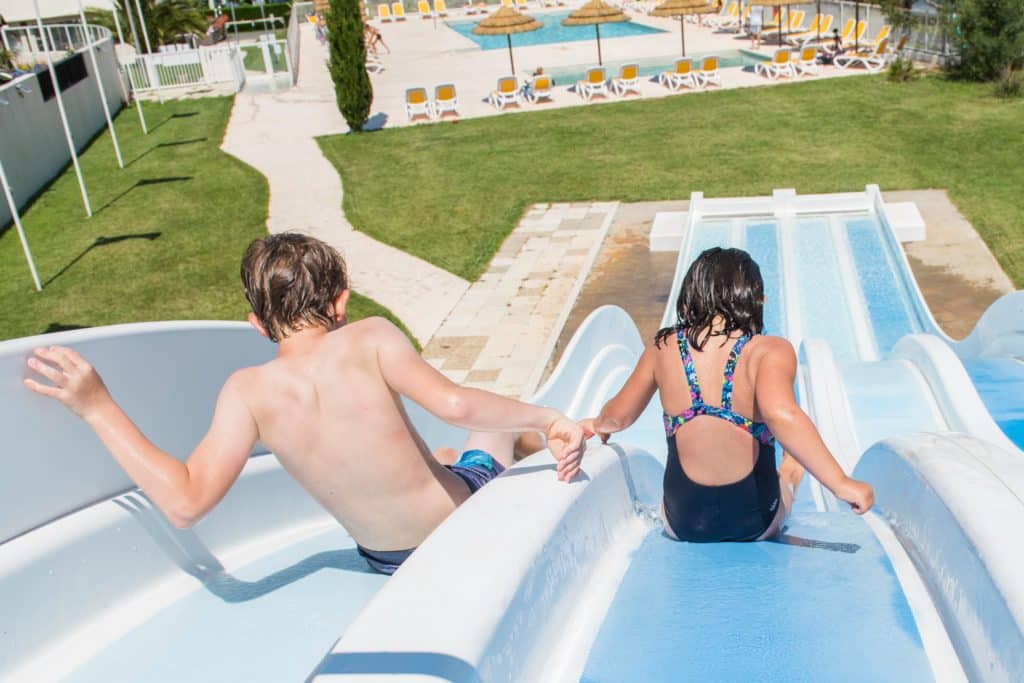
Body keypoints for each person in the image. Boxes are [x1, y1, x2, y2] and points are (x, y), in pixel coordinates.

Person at [24, 234, 585, 574]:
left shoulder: (246, 391)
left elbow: (185, 503)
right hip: (457, 526)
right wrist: (547, 414)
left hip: (389, 559)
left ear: (255, 324)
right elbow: (458, 406)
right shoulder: (370, 337)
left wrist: (96, 405)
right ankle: (547, 439)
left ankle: (516, 448)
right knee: (490, 437)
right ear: (340, 303)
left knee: (439, 453)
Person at [580, 247, 873, 543]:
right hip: (755, 521)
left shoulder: (664, 347)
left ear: (690, 295)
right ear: (758, 300)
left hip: (683, 522)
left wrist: (597, 424)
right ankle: (792, 472)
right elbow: (781, 414)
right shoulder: (769, 349)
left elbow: (619, 416)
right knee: (791, 467)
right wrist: (839, 482)